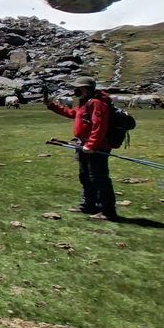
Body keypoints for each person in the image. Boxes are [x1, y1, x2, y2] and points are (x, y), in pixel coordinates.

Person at [44, 77, 118, 220]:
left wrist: (91, 145)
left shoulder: (97, 103)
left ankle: (108, 211)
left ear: (86, 89)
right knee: (85, 176)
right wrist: (52, 106)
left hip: (96, 147)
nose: (75, 90)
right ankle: (88, 205)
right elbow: (73, 113)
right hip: (83, 145)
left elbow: (99, 126)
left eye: (78, 88)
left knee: (99, 178)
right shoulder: (85, 102)